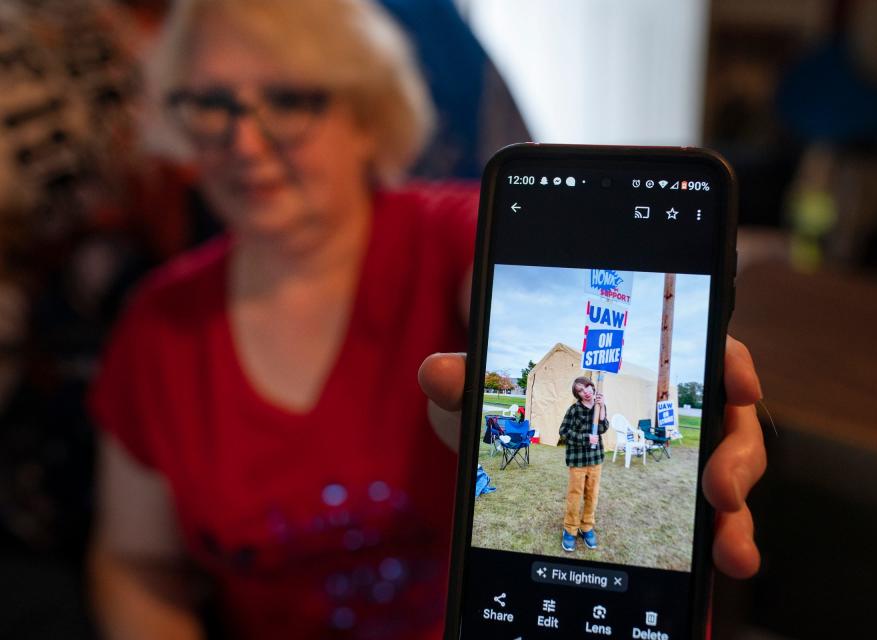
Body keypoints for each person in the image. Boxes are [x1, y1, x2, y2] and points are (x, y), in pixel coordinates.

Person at [87, 1, 768, 638]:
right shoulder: (159, 325)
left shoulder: (455, 231)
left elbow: (506, 280)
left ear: (364, 117)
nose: (244, 140)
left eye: (290, 99)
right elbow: (137, 563)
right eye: (211, 103)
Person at [557, 377, 608, 552]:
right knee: (575, 495)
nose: (585, 391)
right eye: (580, 390)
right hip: (577, 460)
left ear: (593, 387)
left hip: (595, 459)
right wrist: (585, 438)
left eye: (587, 386)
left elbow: (603, 428)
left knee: (592, 495)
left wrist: (601, 412)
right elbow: (563, 432)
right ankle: (570, 529)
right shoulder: (574, 410)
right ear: (577, 394)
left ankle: (586, 526)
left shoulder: (599, 405)